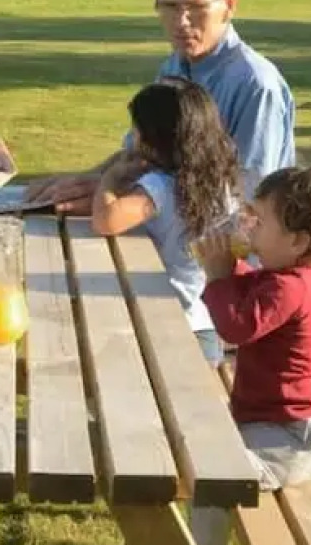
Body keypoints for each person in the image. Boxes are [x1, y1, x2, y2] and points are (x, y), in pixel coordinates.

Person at [190, 166, 311, 545]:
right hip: (272, 424)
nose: (247, 225)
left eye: (259, 219)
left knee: (214, 474)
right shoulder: (293, 274)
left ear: (296, 240)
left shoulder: (289, 286)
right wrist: (233, 272)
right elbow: (255, 295)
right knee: (197, 445)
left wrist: (220, 277)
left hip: (294, 438)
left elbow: (237, 326)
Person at [28, 0, 294, 214]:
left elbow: (249, 198)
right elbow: (141, 156)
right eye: (169, 6)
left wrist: (123, 200)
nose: (181, 22)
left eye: (195, 7)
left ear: (228, 5)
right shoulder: (174, 68)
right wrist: (79, 183)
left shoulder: (256, 85)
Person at [89, 78, 242, 366]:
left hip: (168, 325)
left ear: (153, 138)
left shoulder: (160, 186)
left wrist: (109, 181)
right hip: (202, 319)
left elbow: (105, 221)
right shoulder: (217, 184)